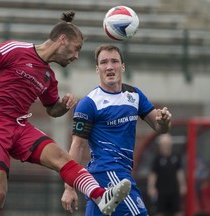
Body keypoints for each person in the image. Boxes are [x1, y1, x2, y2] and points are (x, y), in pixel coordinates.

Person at [0, 12, 131, 216]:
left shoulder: (48, 77)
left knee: (63, 159)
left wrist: (63, 105)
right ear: (63, 40)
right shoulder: (15, 49)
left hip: (20, 127)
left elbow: (52, 110)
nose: (76, 56)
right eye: (76, 48)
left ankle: (100, 196)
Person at [61, 44, 172, 216]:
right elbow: (77, 146)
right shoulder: (89, 103)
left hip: (113, 175)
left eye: (114, 61)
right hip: (109, 173)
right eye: (104, 62)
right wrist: (69, 187)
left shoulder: (134, 95)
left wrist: (164, 121)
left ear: (123, 66)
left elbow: (159, 127)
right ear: (97, 69)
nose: (110, 67)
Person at [147, 133, 187, 216]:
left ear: (170, 144)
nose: (165, 146)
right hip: (161, 191)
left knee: (178, 211)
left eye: (167, 144)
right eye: (163, 144)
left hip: (174, 190)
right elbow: (153, 174)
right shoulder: (157, 159)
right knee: (159, 212)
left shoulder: (176, 156)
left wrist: (182, 185)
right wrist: (151, 187)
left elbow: (179, 172)